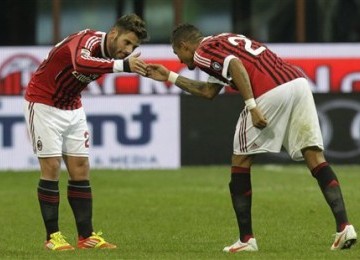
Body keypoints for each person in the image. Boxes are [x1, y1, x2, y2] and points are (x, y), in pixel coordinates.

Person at [146, 23, 357, 252]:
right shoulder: (223, 40)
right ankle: (344, 227)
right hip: (297, 83)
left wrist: (252, 106)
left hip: (269, 91)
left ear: (184, 45)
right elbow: (208, 92)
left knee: (241, 161)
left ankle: (246, 240)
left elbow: (235, 66)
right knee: (315, 157)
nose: (180, 61)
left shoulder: (202, 52)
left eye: (177, 54)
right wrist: (169, 76)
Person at [23, 13, 148, 251]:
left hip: (72, 106)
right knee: (51, 168)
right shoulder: (87, 40)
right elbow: (81, 63)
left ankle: (86, 237)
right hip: (43, 103)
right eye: (127, 43)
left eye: (134, 46)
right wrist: (123, 66)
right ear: (113, 34)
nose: (128, 50)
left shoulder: (113, 55)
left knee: (80, 168)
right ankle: (53, 237)